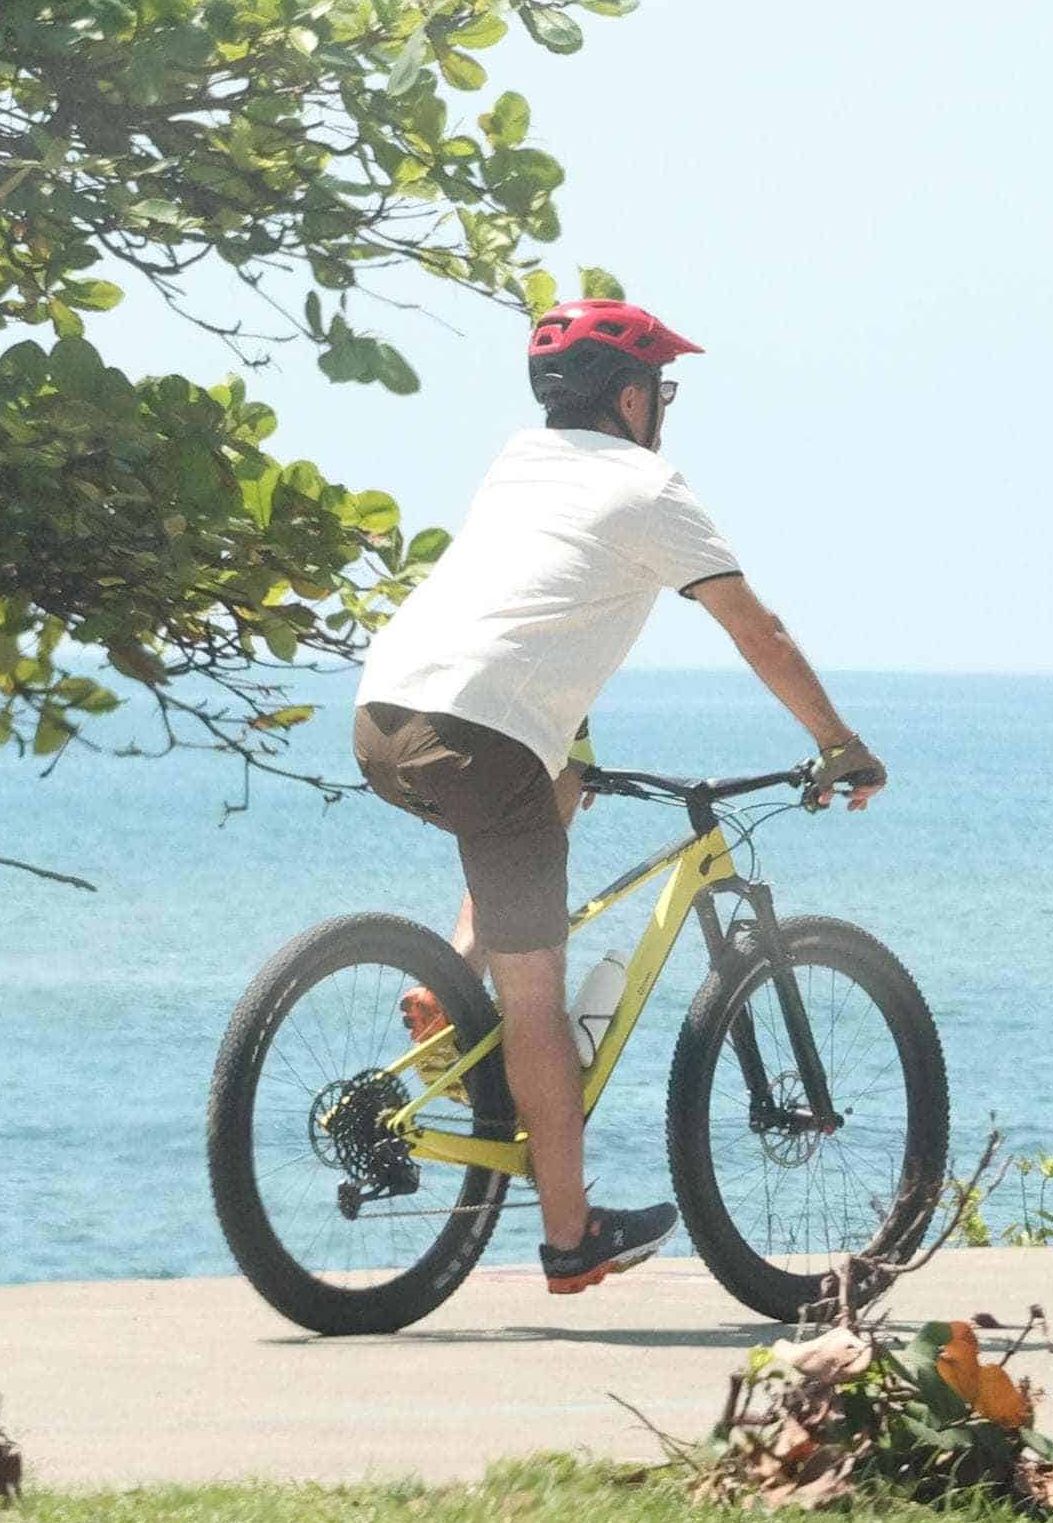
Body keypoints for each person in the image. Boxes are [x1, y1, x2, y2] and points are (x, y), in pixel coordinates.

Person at [351, 299, 886, 1293]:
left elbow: (522, 610)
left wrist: (567, 753)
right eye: (663, 391)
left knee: (545, 791)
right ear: (633, 396)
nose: (665, 409)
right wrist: (837, 743)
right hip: (478, 740)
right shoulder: (650, 488)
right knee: (539, 1000)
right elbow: (755, 631)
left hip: (382, 719)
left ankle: (446, 978)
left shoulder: (515, 463)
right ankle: (569, 1239)